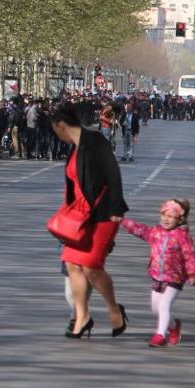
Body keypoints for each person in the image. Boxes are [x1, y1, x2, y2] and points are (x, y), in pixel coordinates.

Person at [50, 103, 129, 339]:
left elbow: (113, 173)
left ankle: (114, 309)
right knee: (73, 265)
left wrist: (116, 207)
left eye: (55, 130)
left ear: (61, 126)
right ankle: (82, 317)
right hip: (80, 215)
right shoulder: (74, 149)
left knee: (92, 268)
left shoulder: (94, 141)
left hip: (103, 212)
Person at [121, 199, 195, 347]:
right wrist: (122, 221)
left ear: (179, 219)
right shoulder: (155, 232)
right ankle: (173, 326)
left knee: (164, 306)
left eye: (171, 217)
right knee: (156, 308)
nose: (166, 219)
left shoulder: (183, 237)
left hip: (175, 277)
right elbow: (140, 229)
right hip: (157, 275)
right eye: (164, 216)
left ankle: (160, 336)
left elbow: (190, 255)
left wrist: (192, 274)